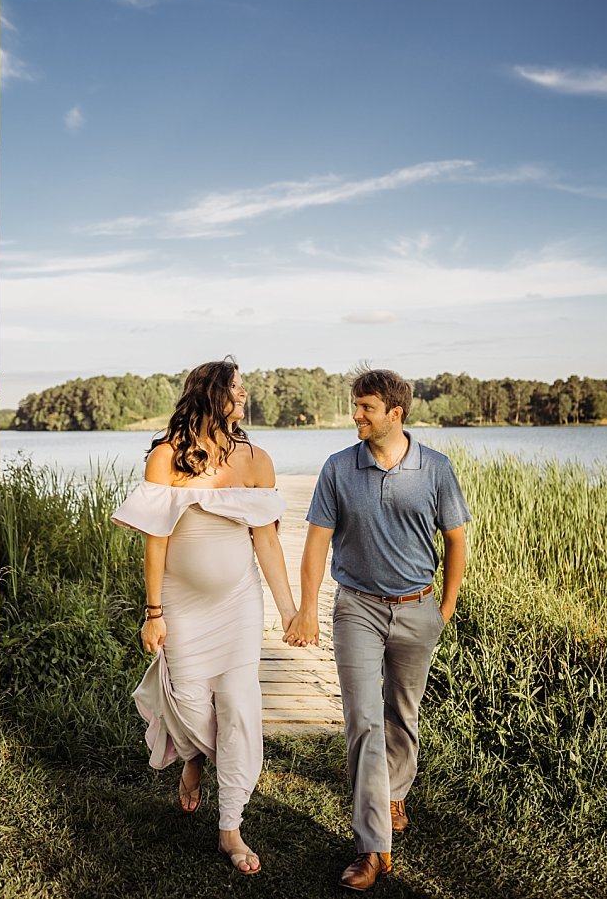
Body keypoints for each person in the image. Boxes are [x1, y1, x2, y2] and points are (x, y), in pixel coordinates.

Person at [111, 359, 296, 875]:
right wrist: (154, 613)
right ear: (212, 394)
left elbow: (267, 541)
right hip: (182, 606)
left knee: (238, 707)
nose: (243, 395)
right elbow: (157, 543)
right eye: (235, 388)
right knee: (189, 700)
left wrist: (290, 611)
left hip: (239, 604)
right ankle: (192, 756)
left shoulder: (257, 460)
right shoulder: (166, 457)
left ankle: (230, 827)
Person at [286, 369, 469, 892]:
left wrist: (445, 608)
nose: (356, 416)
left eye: (366, 407)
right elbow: (317, 542)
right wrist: (305, 609)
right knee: (363, 722)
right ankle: (373, 845)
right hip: (357, 610)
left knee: (402, 713)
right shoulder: (339, 468)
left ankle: (394, 791)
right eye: (355, 406)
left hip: (418, 608)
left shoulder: (434, 468)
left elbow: (455, 539)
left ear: (396, 412)